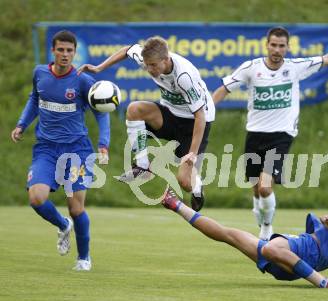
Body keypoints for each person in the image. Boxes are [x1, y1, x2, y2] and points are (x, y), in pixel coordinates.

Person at [212, 27, 328, 240]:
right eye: (273, 45)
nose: (277, 49)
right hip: (255, 134)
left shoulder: (295, 67)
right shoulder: (251, 68)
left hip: (281, 135)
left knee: (265, 187)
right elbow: (223, 89)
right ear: (267, 45)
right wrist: (206, 111)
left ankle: (266, 228)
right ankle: (259, 210)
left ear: (287, 47)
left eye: (281, 46)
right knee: (256, 188)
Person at [161, 186, 328, 288]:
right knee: (229, 235)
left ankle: (324, 283)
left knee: (265, 248)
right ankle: (175, 204)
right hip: (294, 266)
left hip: (304, 251)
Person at [11, 30, 110, 271]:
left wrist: (103, 144)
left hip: (77, 151)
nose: (65, 55)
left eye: (69, 51)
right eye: (61, 50)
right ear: (53, 51)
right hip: (46, 149)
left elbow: (101, 112)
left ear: (75, 53)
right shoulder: (40, 73)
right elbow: (34, 99)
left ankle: (84, 258)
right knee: (36, 198)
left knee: (76, 208)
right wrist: (22, 124)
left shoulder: (82, 80)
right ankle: (63, 225)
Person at [78, 36, 215, 211]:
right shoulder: (148, 59)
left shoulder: (183, 77)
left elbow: (200, 116)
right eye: (147, 64)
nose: (149, 69)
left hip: (195, 121)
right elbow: (128, 50)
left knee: (185, 182)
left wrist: (193, 154)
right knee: (134, 110)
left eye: (153, 65)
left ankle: (197, 187)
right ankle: (143, 165)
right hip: (170, 114)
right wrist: (99, 68)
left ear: (166, 60)